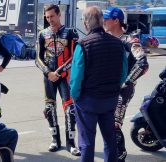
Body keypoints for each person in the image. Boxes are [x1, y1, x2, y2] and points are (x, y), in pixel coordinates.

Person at [70, 6, 128, 162]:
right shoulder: (118, 44)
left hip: (88, 101)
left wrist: (75, 97)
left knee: (87, 142)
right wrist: (114, 88)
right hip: (110, 99)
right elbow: (123, 73)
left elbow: (76, 78)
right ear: (102, 21)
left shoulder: (83, 44)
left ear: (86, 24)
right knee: (110, 139)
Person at [103, 7, 149, 162]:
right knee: (107, 125)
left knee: (114, 126)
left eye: (106, 18)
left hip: (123, 91)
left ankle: (120, 157)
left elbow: (143, 63)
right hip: (106, 89)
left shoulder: (130, 40)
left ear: (116, 20)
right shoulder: (106, 38)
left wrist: (127, 82)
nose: (104, 21)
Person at [35, 4, 80, 156]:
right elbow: (38, 59)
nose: (50, 20)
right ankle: (55, 140)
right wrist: (48, 72)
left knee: (70, 110)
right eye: (47, 17)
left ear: (59, 15)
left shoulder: (70, 32)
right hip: (48, 77)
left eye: (52, 16)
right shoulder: (42, 34)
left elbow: (75, 56)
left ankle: (71, 143)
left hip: (65, 77)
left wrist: (59, 72)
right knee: (49, 108)